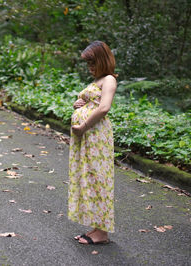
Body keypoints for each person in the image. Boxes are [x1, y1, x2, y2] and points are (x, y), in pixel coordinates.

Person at [67, 41, 117, 245]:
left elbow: (104, 108)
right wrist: (80, 105)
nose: (90, 68)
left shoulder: (109, 80)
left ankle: (102, 232)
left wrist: (83, 125)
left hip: (96, 136)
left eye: (93, 63)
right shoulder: (98, 80)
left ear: (103, 60)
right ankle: (96, 227)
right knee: (89, 177)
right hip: (88, 137)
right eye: (88, 64)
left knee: (99, 179)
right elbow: (93, 103)